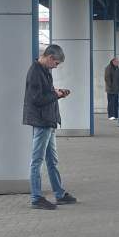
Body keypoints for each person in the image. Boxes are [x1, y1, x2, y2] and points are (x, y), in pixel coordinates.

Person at [24, 44, 78, 211]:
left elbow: (43, 94)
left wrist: (56, 92)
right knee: (37, 161)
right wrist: (56, 94)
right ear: (49, 58)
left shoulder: (44, 71)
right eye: (56, 63)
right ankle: (36, 198)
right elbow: (37, 99)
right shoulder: (35, 72)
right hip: (42, 122)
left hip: (48, 121)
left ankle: (59, 193)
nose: (56, 67)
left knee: (52, 161)